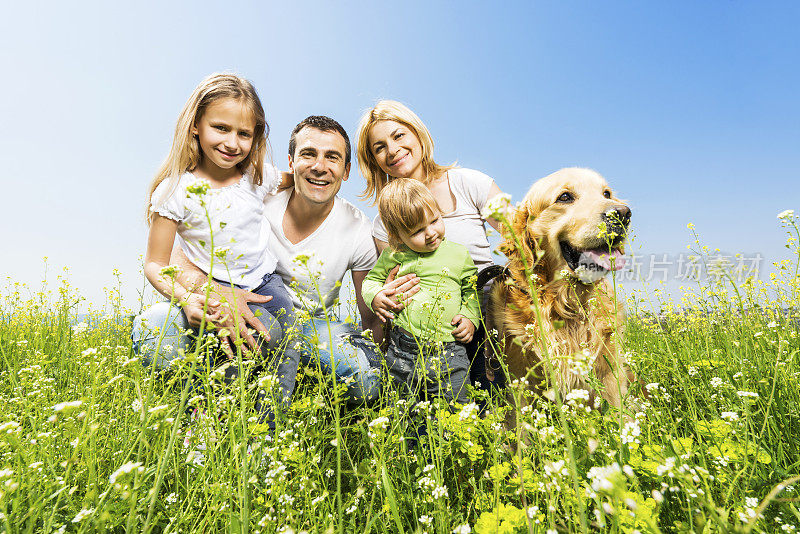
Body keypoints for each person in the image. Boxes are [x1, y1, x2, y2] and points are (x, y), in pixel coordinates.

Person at [161, 116, 386, 403]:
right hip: (229, 305)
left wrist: (384, 369)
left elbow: (370, 317)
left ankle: (286, 388)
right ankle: (196, 406)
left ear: (346, 170)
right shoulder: (256, 199)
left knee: (366, 377)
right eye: (308, 154)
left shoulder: (358, 230)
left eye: (332, 157)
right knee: (155, 325)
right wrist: (217, 293)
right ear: (291, 162)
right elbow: (177, 255)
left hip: (305, 329)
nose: (319, 166)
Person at [136, 73, 300, 418]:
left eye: (244, 134)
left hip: (267, 284)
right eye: (221, 128)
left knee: (288, 345)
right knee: (238, 348)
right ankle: (206, 428)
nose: (232, 143)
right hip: (217, 287)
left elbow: (292, 180)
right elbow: (154, 264)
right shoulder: (175, 191)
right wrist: (189, 297)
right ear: (196, 125)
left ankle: (270, 432)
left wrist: (309, 171)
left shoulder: (256, 176)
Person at [356, 100, 508, 390]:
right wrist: (384, 294)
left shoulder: (470, 183)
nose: (392, 150)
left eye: (399, 135)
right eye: (379, 147)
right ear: (374, 159)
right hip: (423, 324)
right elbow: (389, 274)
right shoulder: (383, 223)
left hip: (481, 305)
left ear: (417, 134)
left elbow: (523, 242)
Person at [362, 180, 479, 405]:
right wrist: (377, 297)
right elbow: (371, 282)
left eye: (434, 220)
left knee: (455, 407)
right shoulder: (394, 255)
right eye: (417, 231)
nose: (431, 233)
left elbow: (471, 289)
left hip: (449, 350)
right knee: (401, 409)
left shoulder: (458, 254)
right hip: (403, 348)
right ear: (397, 237)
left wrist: (470, 317)